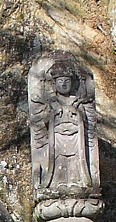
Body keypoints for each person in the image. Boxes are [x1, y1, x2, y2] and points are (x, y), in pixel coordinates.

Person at [33, 59, 97, 193]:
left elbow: (84, 121)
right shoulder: (52, 102)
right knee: (58, 161)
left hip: (75, 138)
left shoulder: (77, 102)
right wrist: (53, 114)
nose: (63, 84)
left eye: (67, 81)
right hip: (57, 139)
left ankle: (77, 183)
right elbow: (43, 121)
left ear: (72, 83)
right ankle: (56, 183)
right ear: (54, 83)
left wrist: (76, 114)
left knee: (75, 161)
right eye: (60, 81)